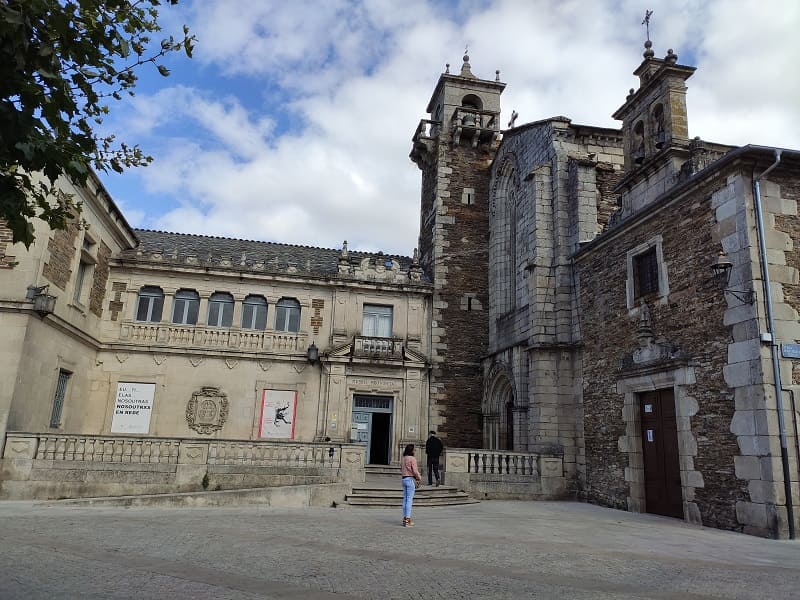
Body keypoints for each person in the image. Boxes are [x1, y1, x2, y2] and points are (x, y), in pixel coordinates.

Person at [400, 443, 421, 527]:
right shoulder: (412, 459)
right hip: (410, 479)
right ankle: (408, 519)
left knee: (405, 499)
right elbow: (415, 471)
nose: (415, 450)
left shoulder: (403, 458)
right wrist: (419, 478)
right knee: (409, 500)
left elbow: (401, 468)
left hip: (404, 479)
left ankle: (405, 518)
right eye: (414, 449)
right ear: (411, 450)